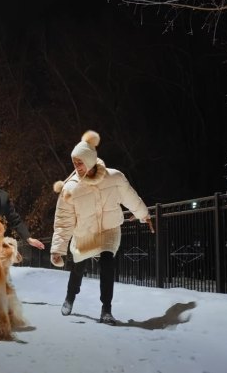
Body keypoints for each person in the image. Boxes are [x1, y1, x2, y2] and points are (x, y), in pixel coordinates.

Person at [50, 130, 151, 326]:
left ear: (89, 159)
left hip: (108, 230)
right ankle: (70, 297)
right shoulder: (70, 189)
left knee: (107, 262)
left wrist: (143, 214)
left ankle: (106, 310)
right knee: (78, 267)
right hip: (84, 233)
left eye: (80, 162)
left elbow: (131, 198)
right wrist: (58, 249)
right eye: (74, 163)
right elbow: (63, 221)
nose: (76, 167)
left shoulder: (114, 178)